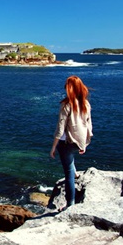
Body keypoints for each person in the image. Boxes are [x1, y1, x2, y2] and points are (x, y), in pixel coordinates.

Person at [50, 75, 93, 210]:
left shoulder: (66, 105)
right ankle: (76, 173)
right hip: (79, 141)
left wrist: (53, 147)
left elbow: (60, 128)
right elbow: (88, 124)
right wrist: (85, 143)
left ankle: (70, 204)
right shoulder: (86, 103)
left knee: (68, 174)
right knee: (70, 161)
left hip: (66, 142)